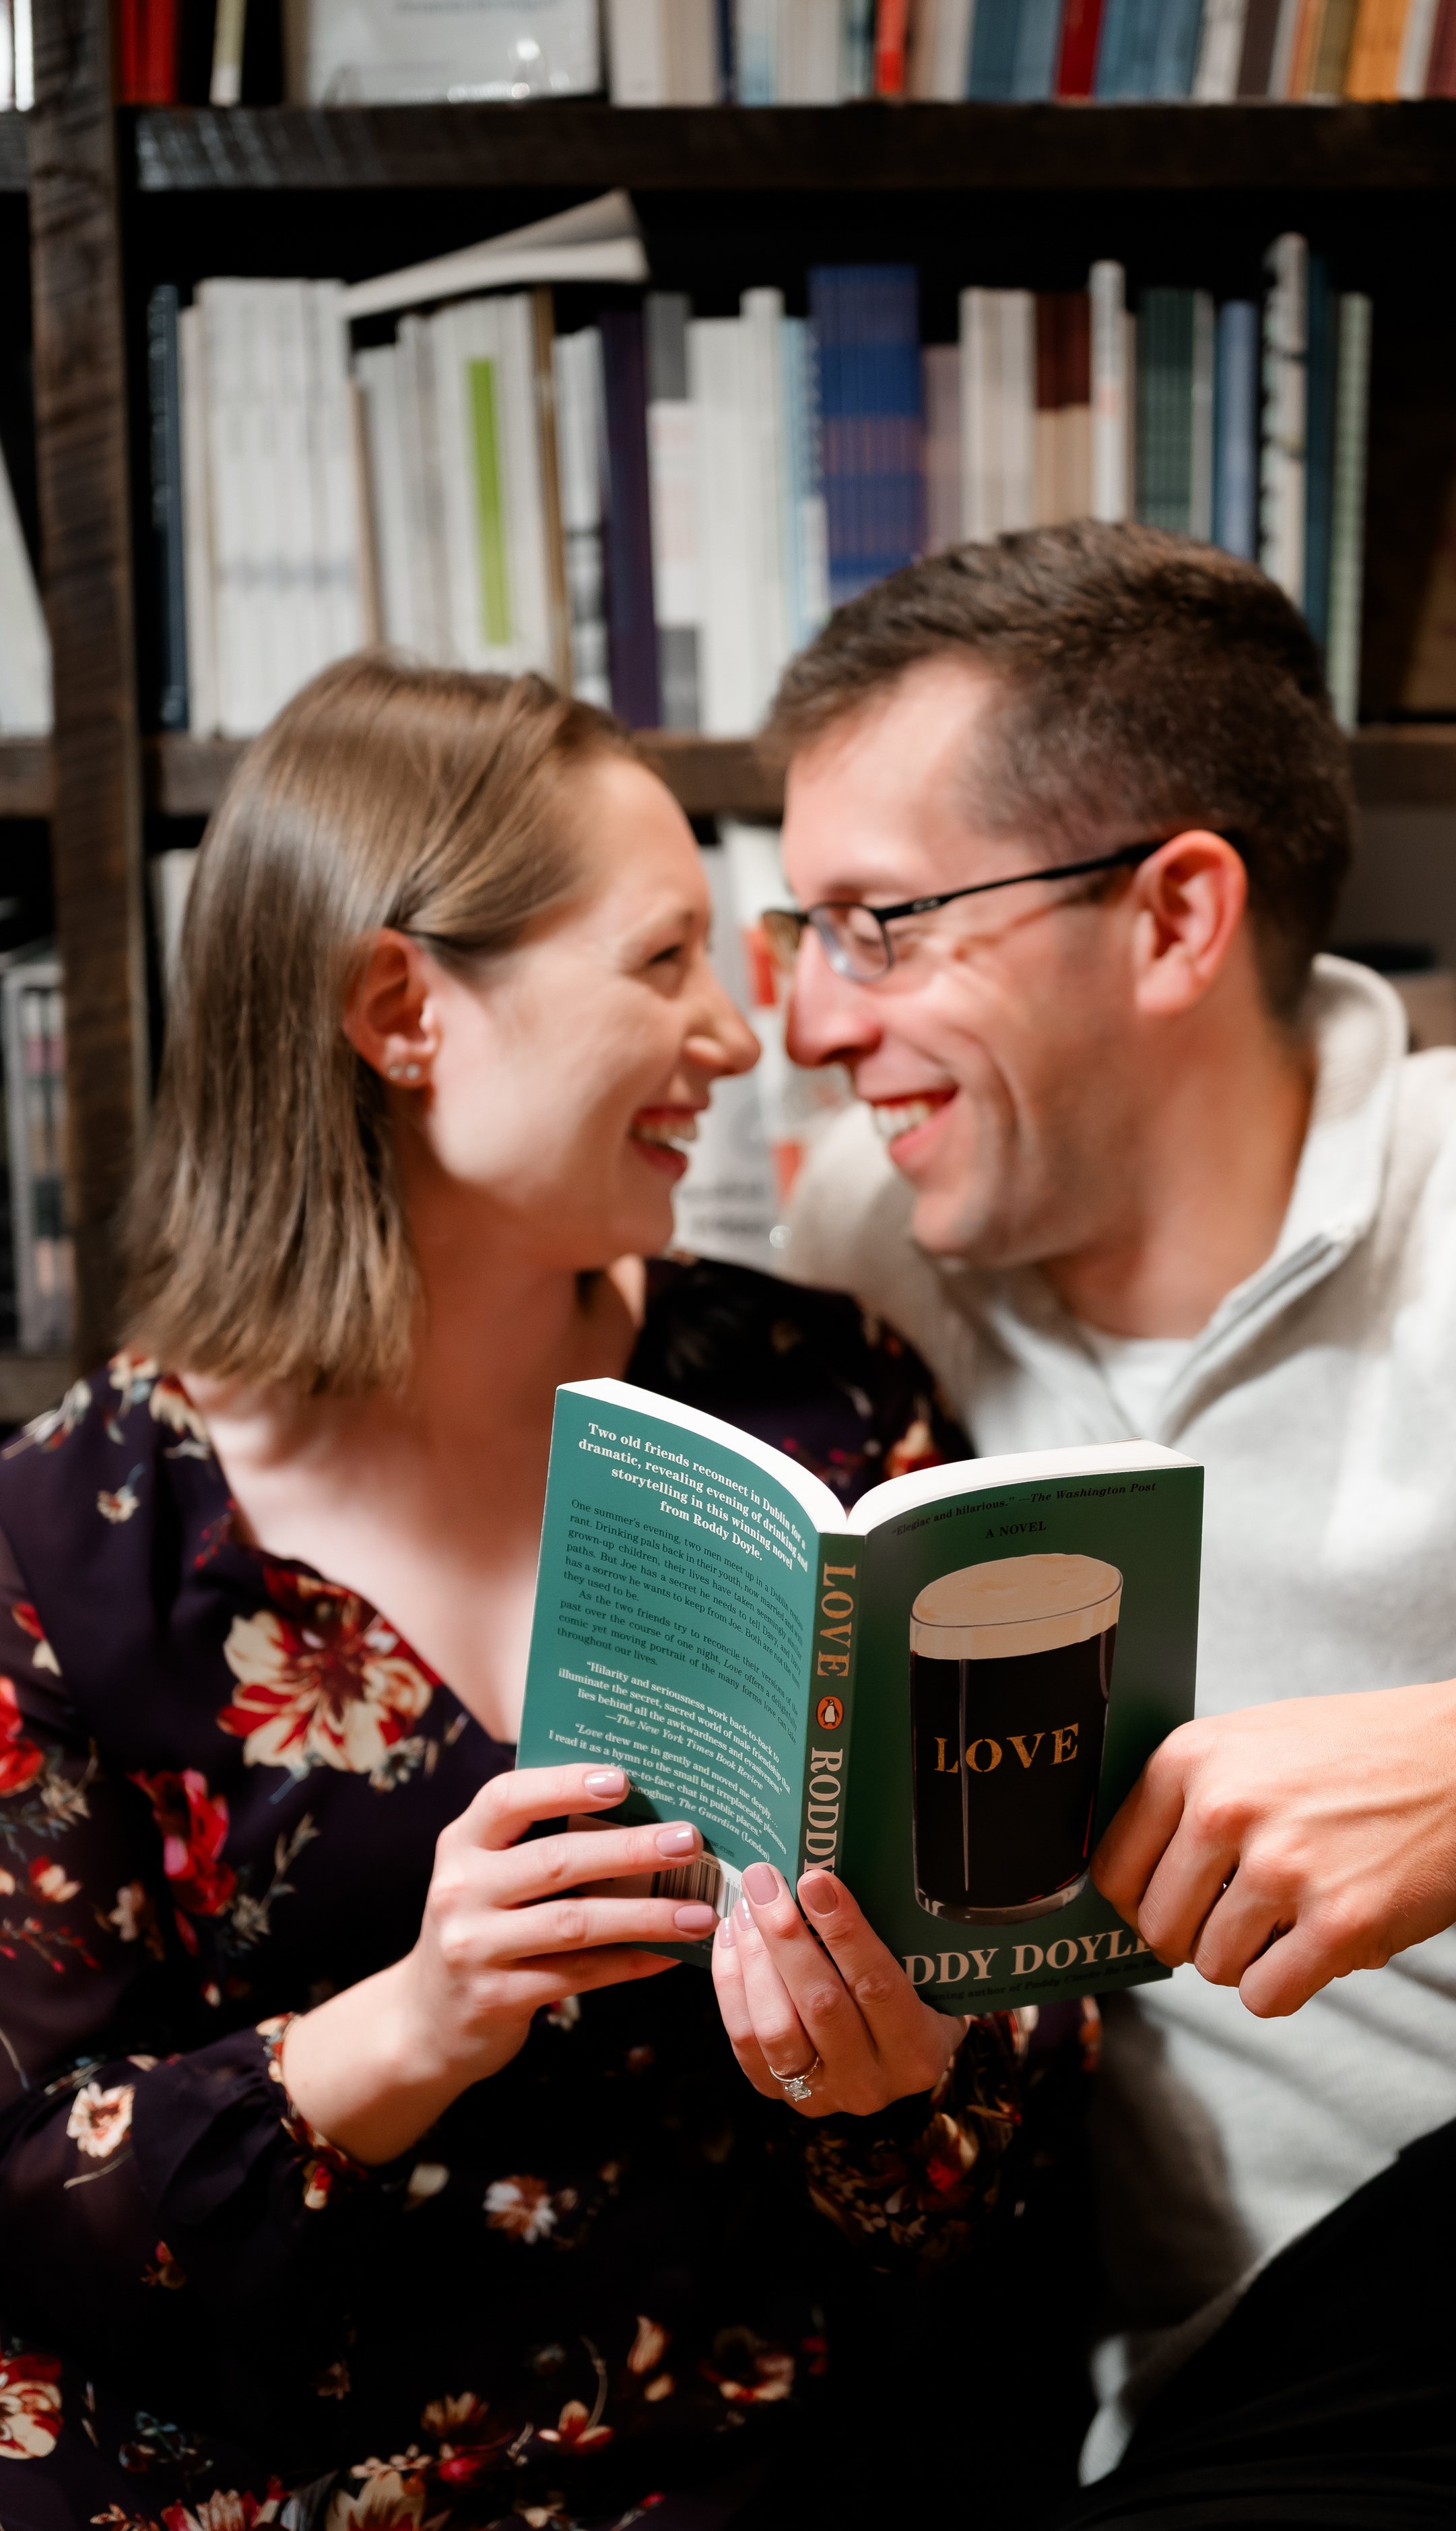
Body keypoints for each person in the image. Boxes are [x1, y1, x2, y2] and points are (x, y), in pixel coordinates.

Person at [0, 654, 1092, 2531]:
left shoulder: (821, 1405)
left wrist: (894, 2073)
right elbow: (30, 2205)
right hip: (280, 2477)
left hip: (758, 2454)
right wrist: (414, 2023)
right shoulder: (67, 1544)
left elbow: (1020, 2073)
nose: (738, 1041)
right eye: (662, 964)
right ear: (403, 1010)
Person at [766, 520, 1456, 2514]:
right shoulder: (867, 1249)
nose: (816, 1029)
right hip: (1226, 2384)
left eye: (883, 925)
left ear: (1176, 917)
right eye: (800, 939)